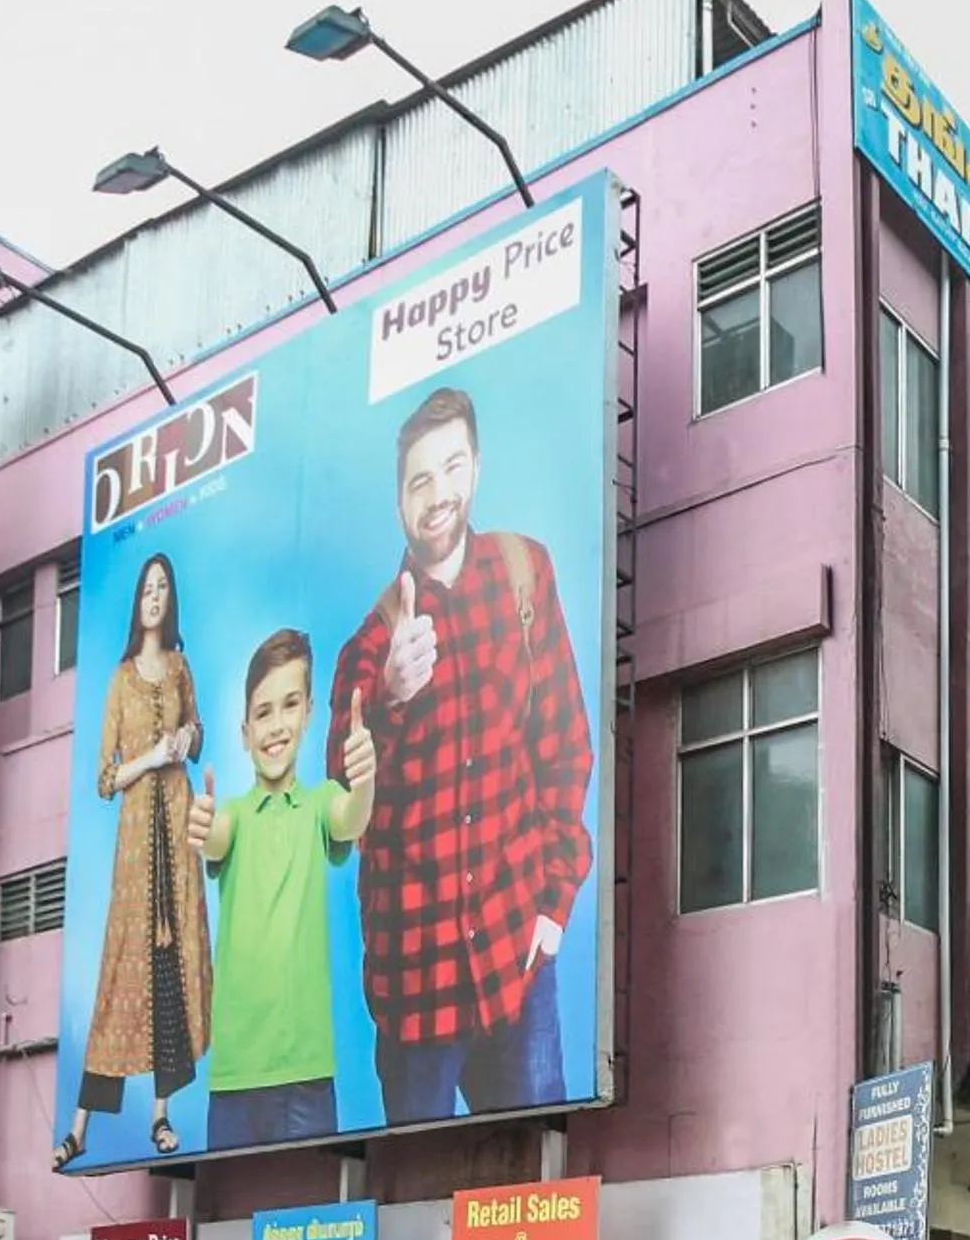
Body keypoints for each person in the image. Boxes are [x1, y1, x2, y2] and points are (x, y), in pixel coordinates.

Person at [327, 387, 594, 1123]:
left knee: (536, 1198)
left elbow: (564, 742)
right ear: (399, 500)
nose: (438, 494)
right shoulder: (369, 646)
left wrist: (555, 902)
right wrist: (388, 698)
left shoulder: (523, 575)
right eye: (420, 480)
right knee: (416, 1207)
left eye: (451, 469)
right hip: (417, 992)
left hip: (518, 958)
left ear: (475, 467)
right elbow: (340, 812)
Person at [187, 630, 377, 1150]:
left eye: (289, 705)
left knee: (316, 1217)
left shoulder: (322, 802)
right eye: (263, 712)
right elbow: (214, 839)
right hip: (235, 1080)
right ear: (244, 731)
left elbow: (349, 820)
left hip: (307, 1076)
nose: (276, 725)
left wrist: (364, 782)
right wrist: (202, 827)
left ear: (310, 712)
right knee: (225, 1217)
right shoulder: (233, 816)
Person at [58, 553, 211, 1166]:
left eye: (162, 588)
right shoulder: (121, 679)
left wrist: (186, 741)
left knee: (170, 966)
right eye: (147, 587)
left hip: (175, 829)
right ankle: (79, 1124)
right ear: (137, 601)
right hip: (134, 846)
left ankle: (162, 1117)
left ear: (171, 600)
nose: (154, 596)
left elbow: (198, 731)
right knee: (122, 972)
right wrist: (150, 757)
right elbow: (103, 777)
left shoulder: (179, 667)